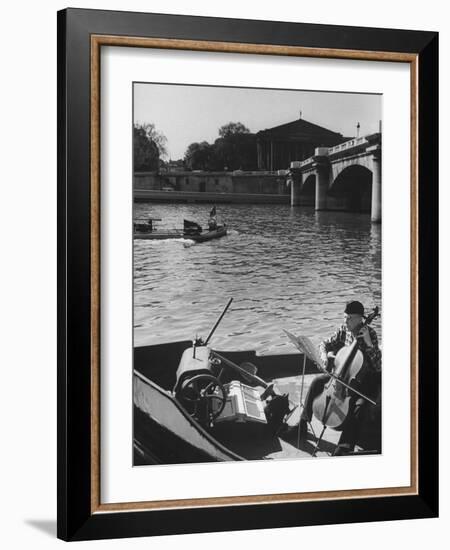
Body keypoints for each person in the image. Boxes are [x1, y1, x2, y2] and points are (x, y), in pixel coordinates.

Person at [299, 300, 381, 455]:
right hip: (342, 376)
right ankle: (302, 423)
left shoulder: (370, 334)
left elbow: (377, 366)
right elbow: (324, 343)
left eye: (350, 318)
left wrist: (369, 345)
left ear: (360, 319)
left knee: (359, 406)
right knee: (317, 382)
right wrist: (324, 355)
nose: (346, 321)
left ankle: (345, 446)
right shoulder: (344, 330)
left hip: (364, 380)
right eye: (345, 317)